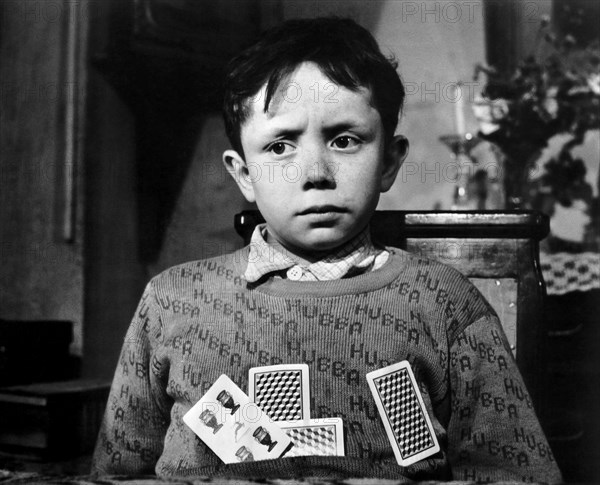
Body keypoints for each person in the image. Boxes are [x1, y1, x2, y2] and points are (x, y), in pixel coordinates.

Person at [92, 17, 562, 483]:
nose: (314, 171)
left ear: (390, 162)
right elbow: (118, 475)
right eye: (279, 147)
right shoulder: (171, 301)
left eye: (344, 140)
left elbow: (519, 477)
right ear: (242, 175)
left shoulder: (448, 305)